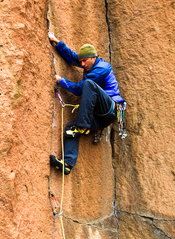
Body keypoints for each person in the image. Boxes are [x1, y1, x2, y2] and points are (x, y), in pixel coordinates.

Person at [48, 31, 125, 174]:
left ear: (93, 57)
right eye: (81, 61)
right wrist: (56, 41)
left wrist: (60, 80)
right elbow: (72, 57)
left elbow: (79, 89)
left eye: (85, 61)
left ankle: (83, 125)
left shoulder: (101, 68)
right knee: (71, 128)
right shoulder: (88, 64)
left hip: (111, 108)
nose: (82, 64)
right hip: (100, 117)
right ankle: (67, 164)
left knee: (88, 84)